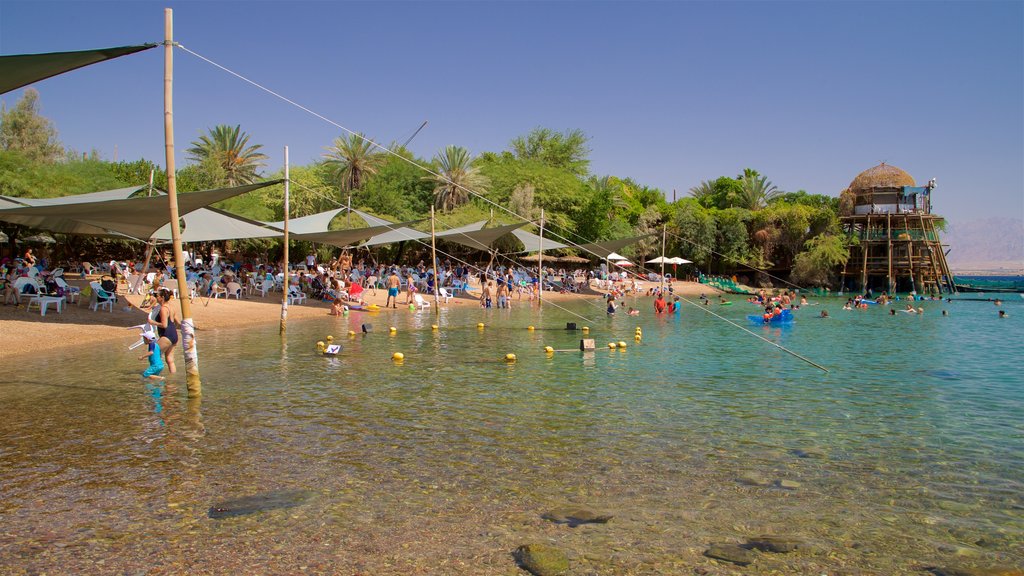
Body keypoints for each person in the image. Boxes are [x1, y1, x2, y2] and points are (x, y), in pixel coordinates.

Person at [148, 288, 180, 375]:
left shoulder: (163, 309)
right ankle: (172, 380)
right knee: (170, 360)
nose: (155, 298)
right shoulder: (172, 306)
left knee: (153, 355)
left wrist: (152, 322)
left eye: (157, 296)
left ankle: (154, 377)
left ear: (162, 297)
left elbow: (164, 325)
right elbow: (178, 322)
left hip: (167, 335)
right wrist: (172, 331)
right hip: (174, 335)